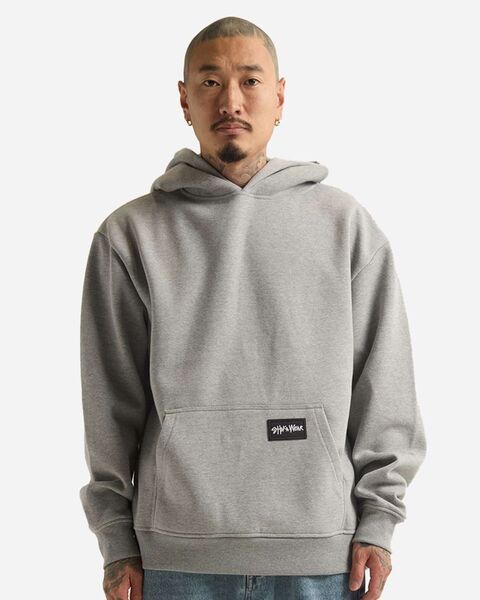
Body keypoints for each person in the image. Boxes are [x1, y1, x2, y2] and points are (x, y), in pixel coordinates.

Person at [79, 15, 427, 600]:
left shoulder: (345, 226)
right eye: (210, 82)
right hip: (176, 557)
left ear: (280, 97)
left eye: (250, 80)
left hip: (321, 553)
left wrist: (380, 520)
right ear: (184, 100)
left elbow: (385, 382)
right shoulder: (129, 235)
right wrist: (115, 539)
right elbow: (109, 404)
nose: (231, 101)